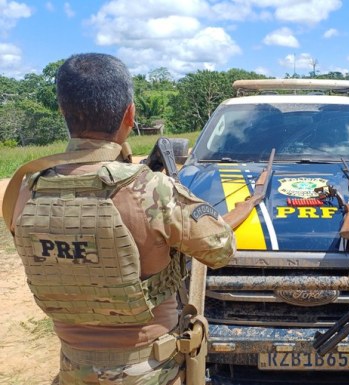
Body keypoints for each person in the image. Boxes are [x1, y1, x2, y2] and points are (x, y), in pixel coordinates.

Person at [4, 53, 236, 384]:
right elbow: (221, 248)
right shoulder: (153, 190)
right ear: (130, 113)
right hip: (152, 370)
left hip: (73, 368)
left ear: (62, 111)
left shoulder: (26, 189)